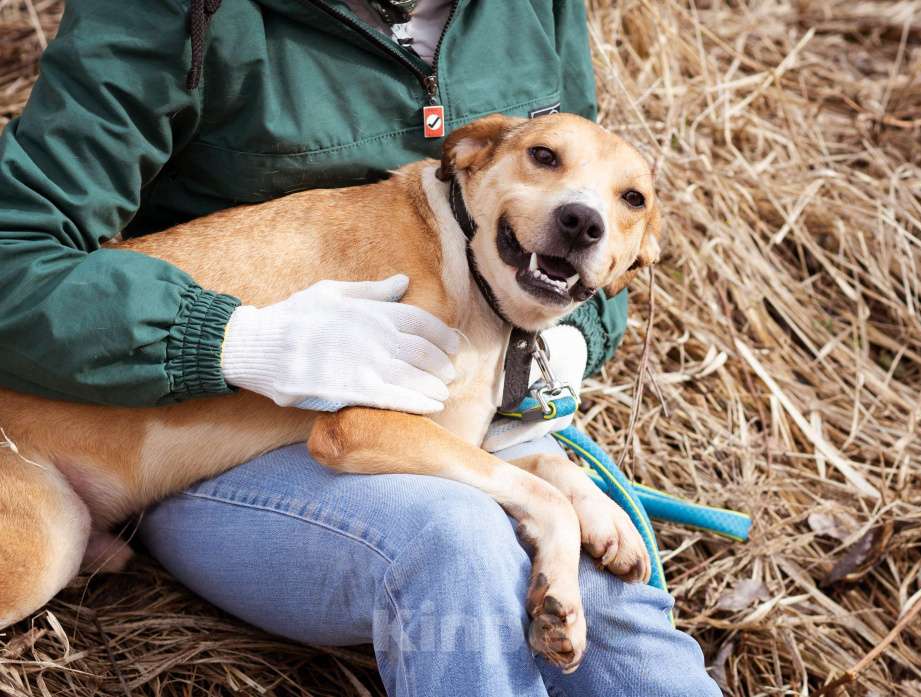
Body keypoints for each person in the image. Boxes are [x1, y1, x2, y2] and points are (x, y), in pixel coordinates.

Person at [0, 0, 721, 694]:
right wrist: (233, 340)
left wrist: (555, 351)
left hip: (436, 412)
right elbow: (13, 251)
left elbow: (587, 221)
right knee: (456, 542)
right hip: (182, 420)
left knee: (611, 592)